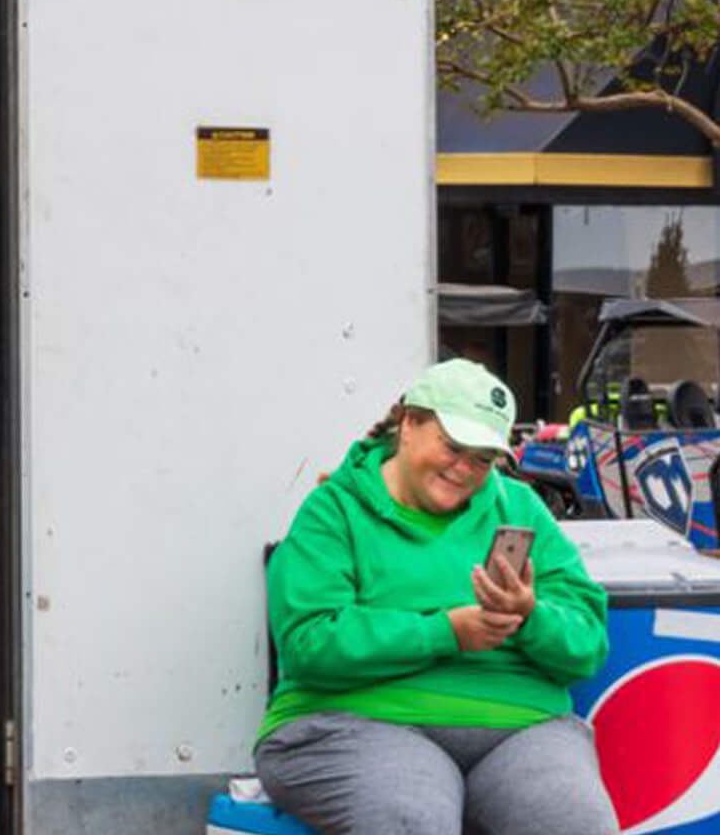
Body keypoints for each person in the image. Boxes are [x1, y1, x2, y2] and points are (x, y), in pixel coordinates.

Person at [254, 358, 616, 835]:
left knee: (576, 824)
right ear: (409, 423)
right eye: (452, 447)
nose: (464, 469)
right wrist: (446, 631)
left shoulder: (521, 507)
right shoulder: (334, 510)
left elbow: (587, 645)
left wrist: (529, 616)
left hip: (521, 728)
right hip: (359, 721)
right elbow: (310, 643)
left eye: (483, 458)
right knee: (411, 820)